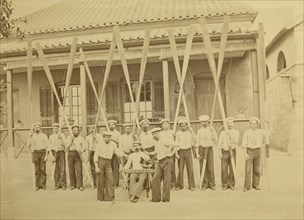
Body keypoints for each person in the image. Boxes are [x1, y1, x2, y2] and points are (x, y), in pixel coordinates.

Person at [94, 131, 126, 201]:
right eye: (106, 137)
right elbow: (96, 156)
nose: (108, 138)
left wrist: (125, 155)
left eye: (109, 137)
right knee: (100, 180)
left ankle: (109, 197)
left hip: (108, 162)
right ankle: (100, 197)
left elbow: (118, 152)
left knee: (111, 179)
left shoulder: (112, 144)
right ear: (103, 137)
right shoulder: (99, 145)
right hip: (100, 161)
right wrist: (96, 166)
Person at [150, 127, 179, 202]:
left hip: (167, 161)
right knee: (155, 179)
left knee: (166, 180)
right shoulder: (156, 141)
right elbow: (156, 152)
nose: (154, 135)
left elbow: (176, 145)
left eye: (155, 133)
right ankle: (156, 199)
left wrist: (171, 154)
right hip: (159, 162)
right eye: (153, 134)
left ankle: (165, 199)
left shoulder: (164, 140)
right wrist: (147, 153)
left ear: (159, 133)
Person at [242, 117, 269, 192]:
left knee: (257, 169)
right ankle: (247, 186)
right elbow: (244, 144)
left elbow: (267, 135)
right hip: (249, 151)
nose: (253, 125)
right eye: (252, 123)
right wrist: (245, 154)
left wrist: (268, 125)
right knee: (248, 170)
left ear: (257, 124)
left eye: (255, 123)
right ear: (250, 124)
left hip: (257, 151)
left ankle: (256, 184)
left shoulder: (260, 132)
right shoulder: (247, 132)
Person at [195, 115, 218, 191]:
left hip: (209, 149)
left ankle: (212, 184)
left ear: (208, 122)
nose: (204, 123)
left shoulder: (211, 129)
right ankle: (204, 184)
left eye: (205, 121)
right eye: (202, 122)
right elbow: (197, 142)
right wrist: (197, 153)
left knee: (210, 167)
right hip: (201, 149)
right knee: (202, 167)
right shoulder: (199, 131)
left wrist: (213, 131)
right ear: (200, 122)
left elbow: (215, 140)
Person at [26, 122, 51, 191]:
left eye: (38, 127)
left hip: (42, 152)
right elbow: (28, 145)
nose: (37, 128)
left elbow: (47, 146)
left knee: (42, 169)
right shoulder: (31, 136)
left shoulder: (44, 136)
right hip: (35, 153)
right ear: (34, 128)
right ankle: (37, 185)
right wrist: (29, 136)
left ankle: (43, 185)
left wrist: (46, 156)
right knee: (36, 170)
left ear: (40, 128)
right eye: (36, 127)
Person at [218, 117, 239, 190]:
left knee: (232, 168)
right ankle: (224, 184)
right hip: (225, 152)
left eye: (231, 123)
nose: (229, 124)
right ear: (226, 124)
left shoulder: (236, 132)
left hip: (232, 151)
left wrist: (229, 135)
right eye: (228, 123)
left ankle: (231, 184)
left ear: (233, 124)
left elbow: (236, 142)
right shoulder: (222, 133)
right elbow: (219, 143)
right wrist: (220, 152)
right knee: (224, 169)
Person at [175, 119, 195, 191]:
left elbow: (194, 140)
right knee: (180, 169)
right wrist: (176, 153)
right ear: (180, 126)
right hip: (181, 151)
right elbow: (176, 143)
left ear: (186, 126)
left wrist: (192, 131)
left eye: (184, 125)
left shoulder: (189, 132)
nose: (183, 127)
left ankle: (191, 185)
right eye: (182, 126)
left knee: (190, 168)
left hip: (188, 151)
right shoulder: (178, 133)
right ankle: (179, 185)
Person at [65, 124, 85, 191]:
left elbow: (84, 147)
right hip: (70, 153)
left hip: (78, 155)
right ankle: (72, 185)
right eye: (74, 130)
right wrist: (71, 140)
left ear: (78, 131)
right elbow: (66, 147)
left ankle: (80, 185)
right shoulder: (68, 138)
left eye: (76, 130)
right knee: (71, 170)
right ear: (72, 131)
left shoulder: (81, 138)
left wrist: (81, 150)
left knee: (79, 170)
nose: (75, 131)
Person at [159, 118, 177, 190]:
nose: (165, 125)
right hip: (163, 151)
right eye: (163, 124)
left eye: (166, 124)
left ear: (169, 125)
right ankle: (166, 185)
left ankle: (173, 184)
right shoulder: (160, 133)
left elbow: (176, 142)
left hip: (171, 150)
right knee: (164, 169)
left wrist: (174, 152)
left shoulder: (172, 132)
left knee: (172, 168)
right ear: (162, 125)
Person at [49, 123, 67, 190]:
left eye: (56, 128)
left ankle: (63, 184)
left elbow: (65, 145)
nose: (55, 129)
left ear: (59, 129)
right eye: (54, 128)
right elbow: (49, 147)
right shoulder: (51, 136)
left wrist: (61, 138)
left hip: (61, 151)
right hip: (54, 152)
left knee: (62, 169)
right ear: (52, 129)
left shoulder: (62, 135)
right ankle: (57, 184)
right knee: (56, 169)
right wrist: (51, 155)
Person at [108, 119, 121, 188]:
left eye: (113, 125)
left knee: (115, 168)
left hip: (115, 152)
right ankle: (110, 183)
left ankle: (116, 183)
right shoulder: (107, 132)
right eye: (110, 125)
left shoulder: (118, 133)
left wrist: (113, 139)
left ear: (115, 125)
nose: (111, 126)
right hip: (108, 152)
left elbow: (120, 143)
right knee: (109, 168)